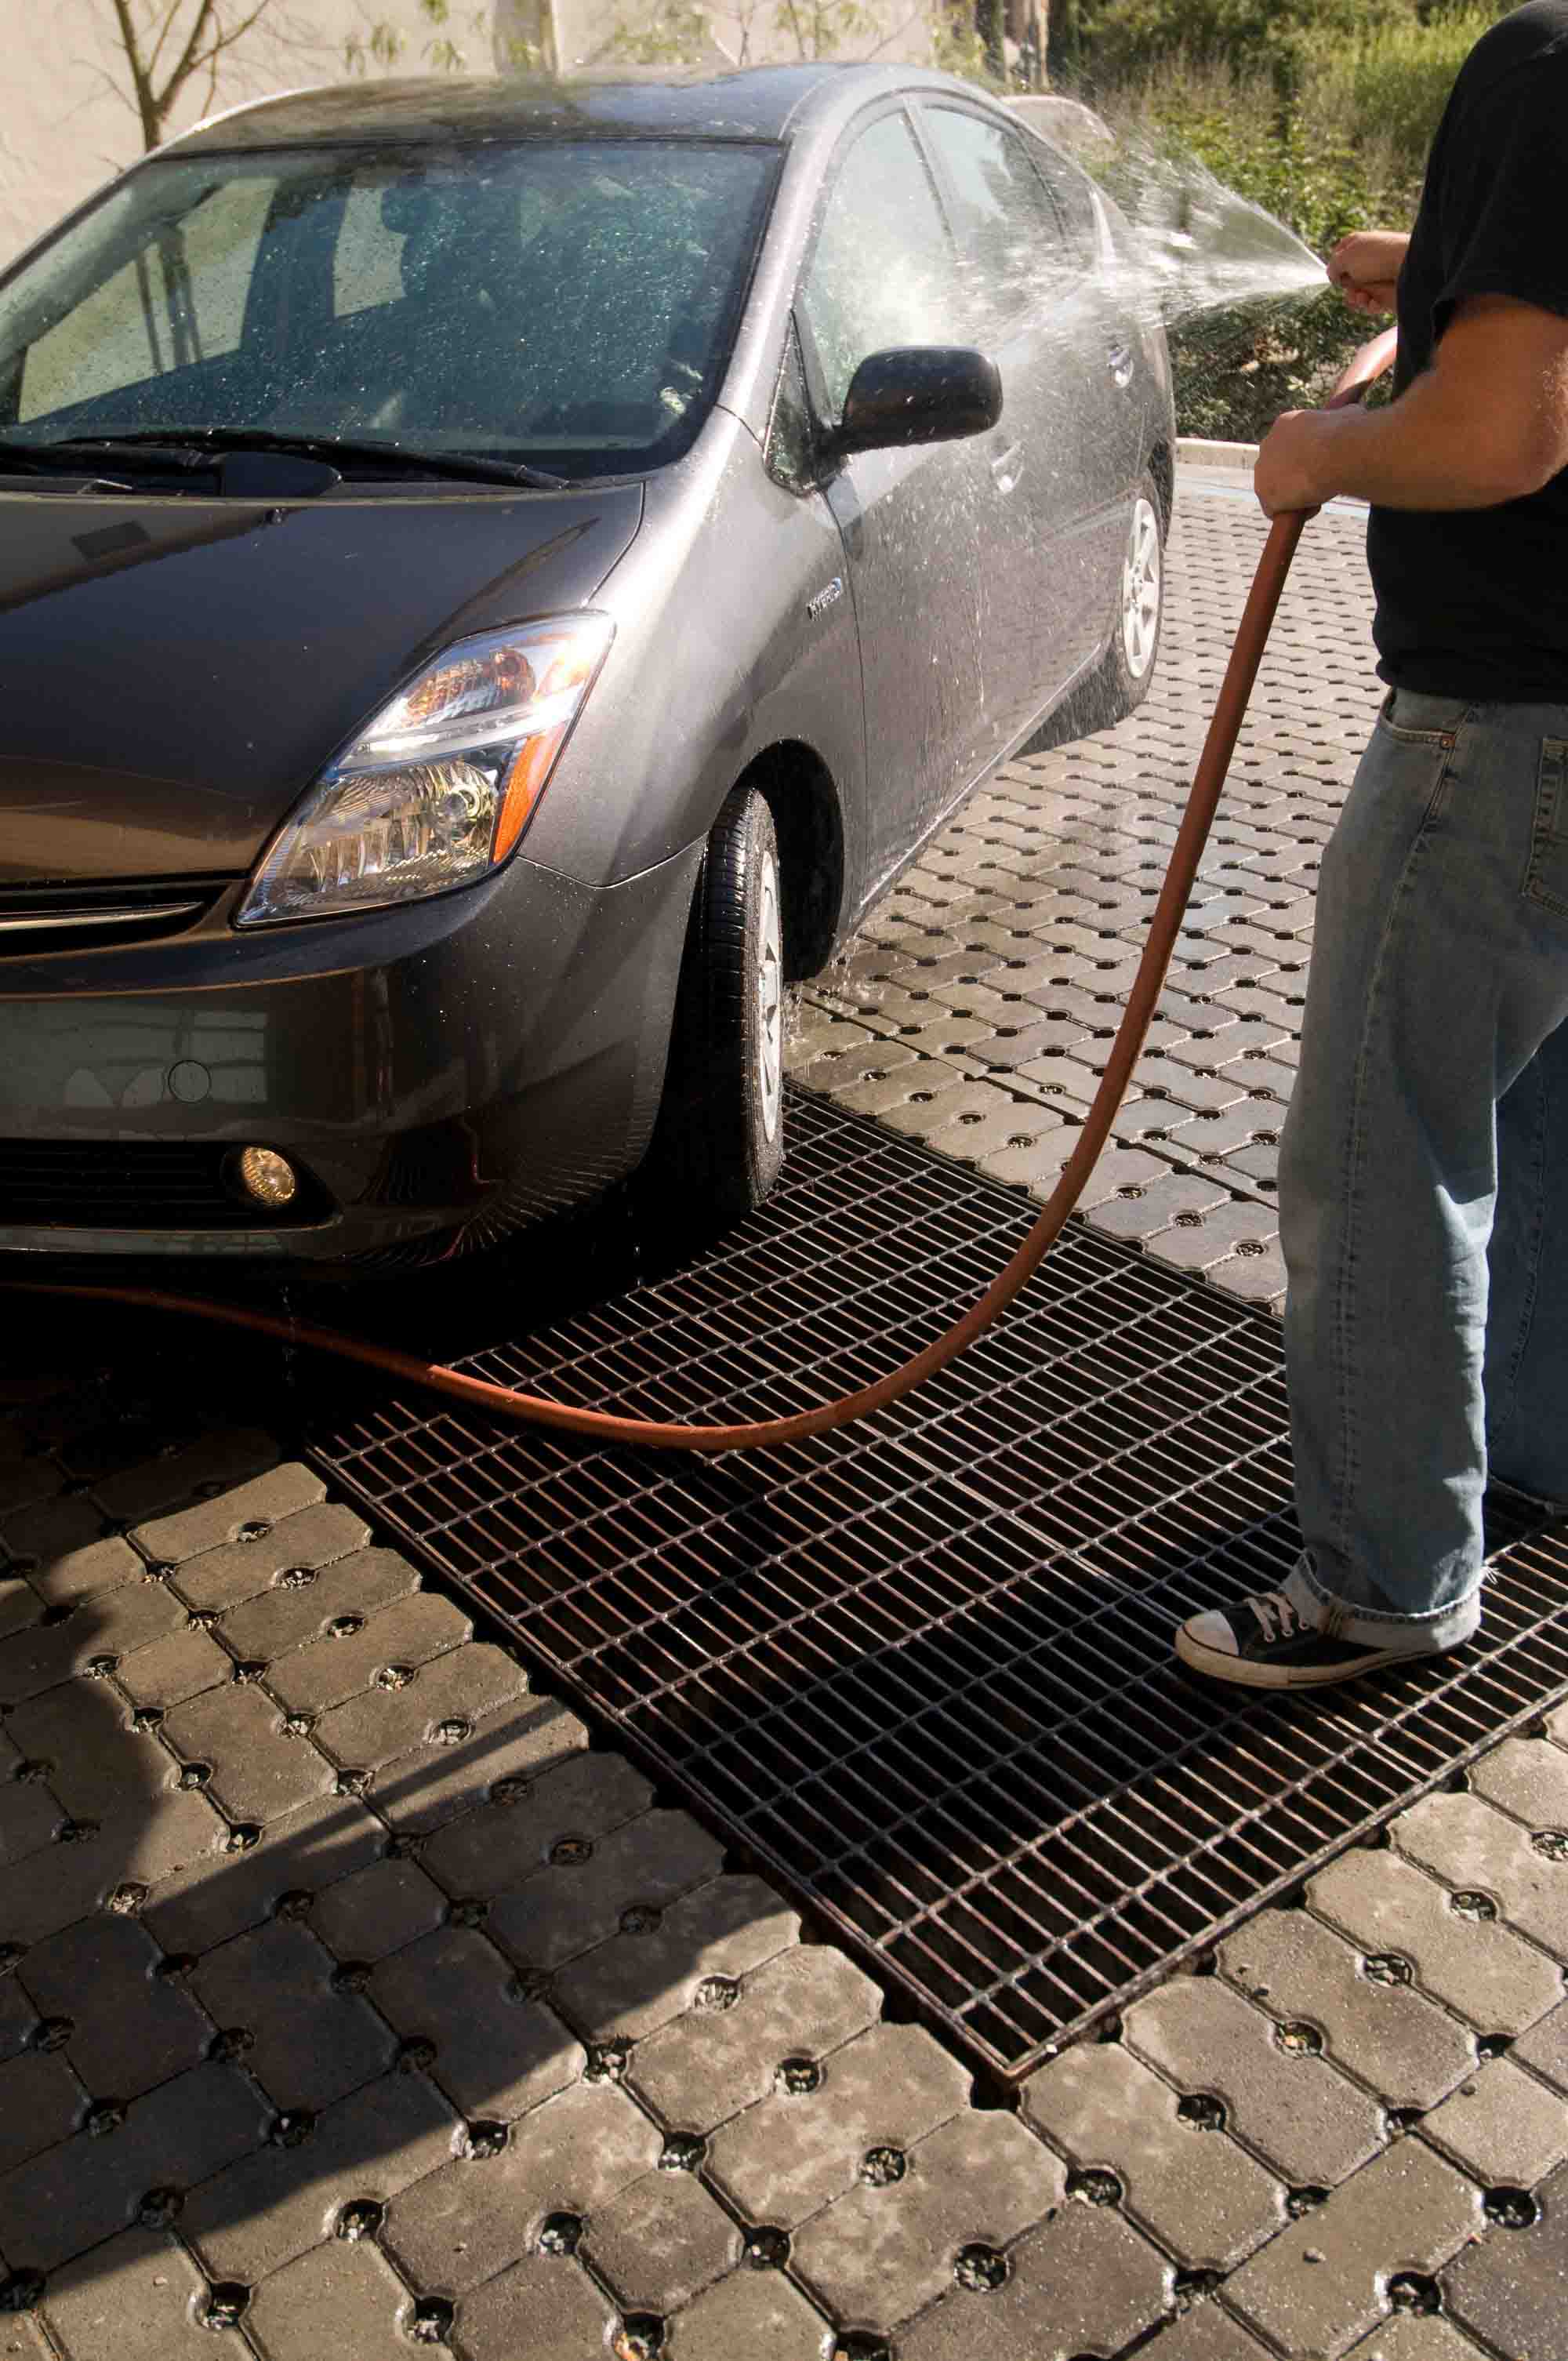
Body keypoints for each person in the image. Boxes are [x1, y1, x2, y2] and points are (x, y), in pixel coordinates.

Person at [1175, 0, 1568, 1688]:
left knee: (1386, 1150)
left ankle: (1384, 1583)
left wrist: (1315, 451)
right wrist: (1437, 277)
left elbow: (1497, 436)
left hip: (1500, 734)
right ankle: (1529, 1453)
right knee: (1537, 1115)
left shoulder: (1548, 61)